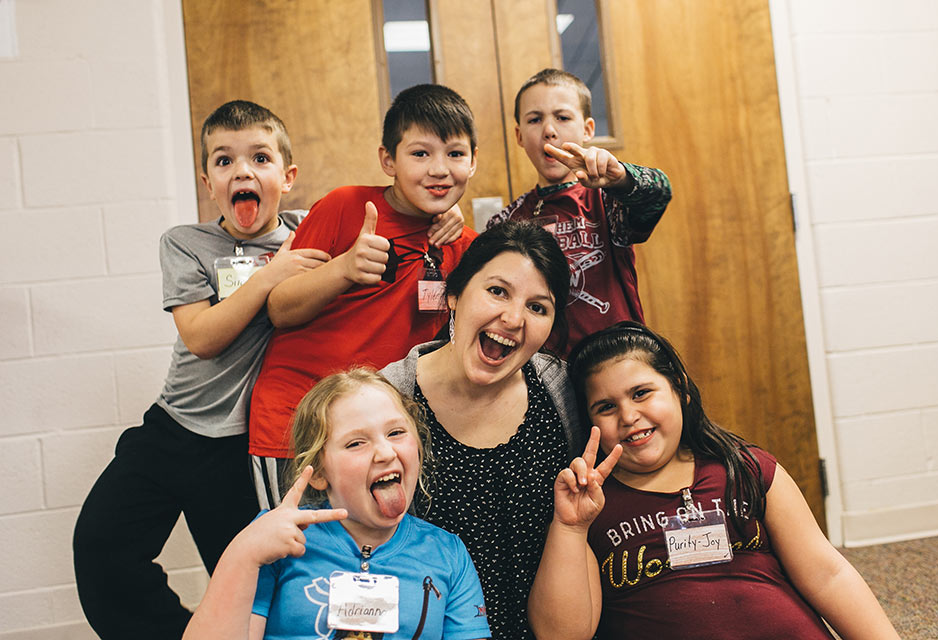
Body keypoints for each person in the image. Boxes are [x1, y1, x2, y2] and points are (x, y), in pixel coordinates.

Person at [72, 100, 333, 640]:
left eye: (260, 158)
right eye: (224, 160)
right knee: (102, 545)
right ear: (208, 179)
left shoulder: (309, 234)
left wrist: (445, 218)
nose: (242, 171)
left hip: (242, 452)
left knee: (249, 584)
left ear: (287, 176)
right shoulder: (185, 244)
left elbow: (385, 210)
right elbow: (202, 337)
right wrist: (269, 275)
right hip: (172, 430)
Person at [529, 322, 901, 640]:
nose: (628, 415)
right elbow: (562, 635)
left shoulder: (748, 468)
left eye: (641, 393)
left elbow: (828, 575)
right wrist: (571, 527)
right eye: (606, 407)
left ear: (680, 389)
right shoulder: (589, 505)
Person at [248, 84, 478, 510]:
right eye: (420, 154)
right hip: (296, 429)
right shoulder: (345, 207)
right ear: (388, 160)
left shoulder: (464, 244)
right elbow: (279, 309)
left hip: (381, 444)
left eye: (455, 154)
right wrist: (344, 269)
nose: (440, 169)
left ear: (473, 161)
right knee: (298, 566)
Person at [380, 221, 585, 639]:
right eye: (497, 291)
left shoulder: (563, 392)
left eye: (538, 307)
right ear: (454, 294)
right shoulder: (387, 401)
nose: (512, 318)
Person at [183, 368, 491, 640]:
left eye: (396, 432)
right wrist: (244, 555)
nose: (385, 452)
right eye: (356, 443)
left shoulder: (448, 554)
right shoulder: (274, 539)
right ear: (318, 472)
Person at [486, 68, 672, 356]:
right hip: (543, 376)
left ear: (587, 130)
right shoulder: (505, 221)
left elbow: (659, 193)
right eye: (535, 119)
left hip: (616, 364)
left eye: (562, 117)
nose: (549, 129)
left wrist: (621, 178)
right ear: (519, 135)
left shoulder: (609, 200)